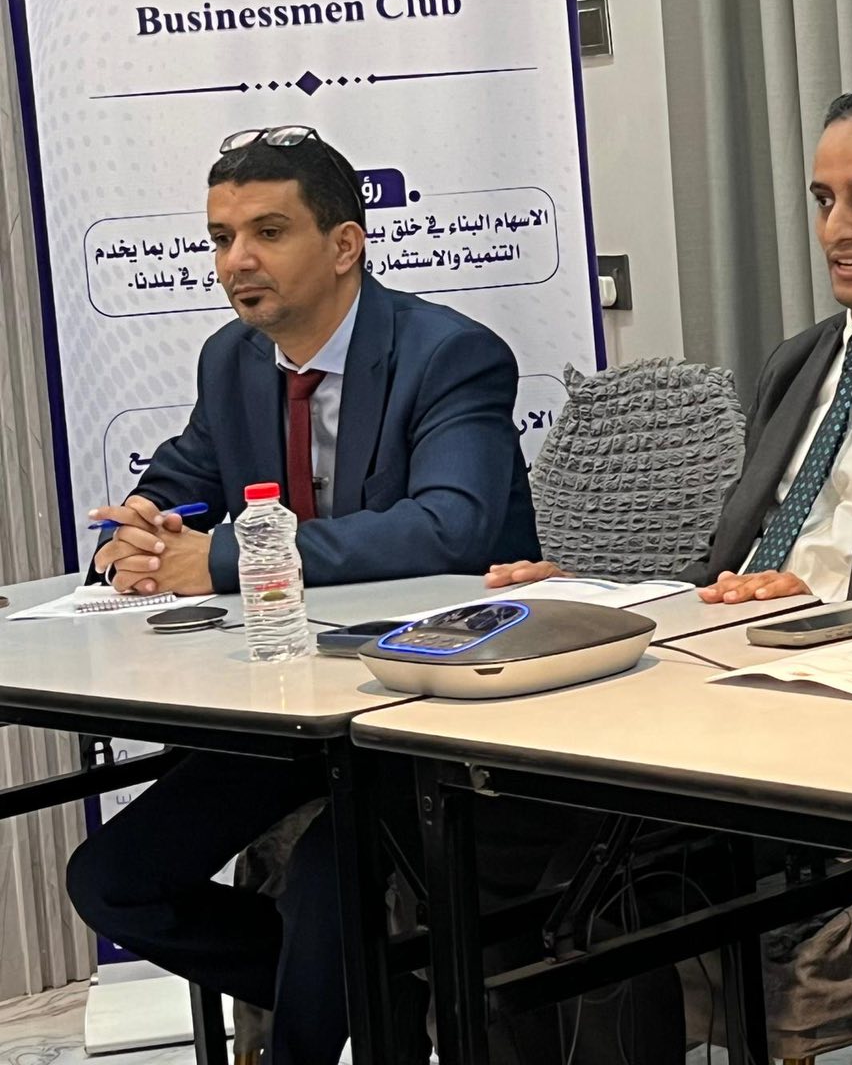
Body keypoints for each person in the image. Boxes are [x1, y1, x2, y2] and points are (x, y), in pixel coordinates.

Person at [69, 127, 539, 1065]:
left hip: (432, 700)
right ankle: (391, 1000)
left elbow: (450, 527)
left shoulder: (450, 354)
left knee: (329, 883)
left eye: (268, 232)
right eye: (221, 237)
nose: (236, 261)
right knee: (114, 880)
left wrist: (228, 561)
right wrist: (140, 531)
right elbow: (184, 475)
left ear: (344, 244)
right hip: (296, 702)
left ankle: (341, 1014)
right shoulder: (233, 359)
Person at [490, 88, 852, 610]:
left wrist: (821, 609)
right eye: (824, 201)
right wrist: (594, 596)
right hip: (728, 630)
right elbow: (723, 566)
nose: (835, 229)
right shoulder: (796, 363)